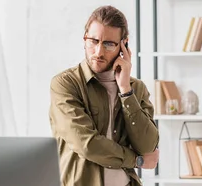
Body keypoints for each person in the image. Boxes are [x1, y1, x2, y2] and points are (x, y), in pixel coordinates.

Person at [49, 5, 160, 186]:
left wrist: (125, 90)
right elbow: (86, 144)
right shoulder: (65, 84)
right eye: (93, 41)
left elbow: (147, 146)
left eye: (109, 44)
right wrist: (136, 161)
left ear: (124, 46)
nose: (98, 52)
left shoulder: (136, 88)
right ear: (84, 38)